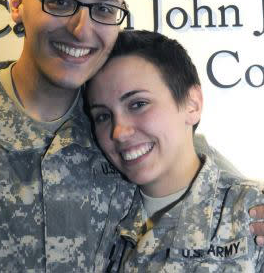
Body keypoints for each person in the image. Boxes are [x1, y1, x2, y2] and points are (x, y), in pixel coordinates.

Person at [0, 0, 263, 272]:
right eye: (59, 1)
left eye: (103, 8)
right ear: (16, 3)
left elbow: (195, 164)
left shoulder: (119, 133)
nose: (80, 29)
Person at [86, 30, 264, 272]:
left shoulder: (251, 215)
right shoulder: (91, 216)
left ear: (192, 104)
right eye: (103, 116)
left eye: (138, 104)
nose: (119, 132)